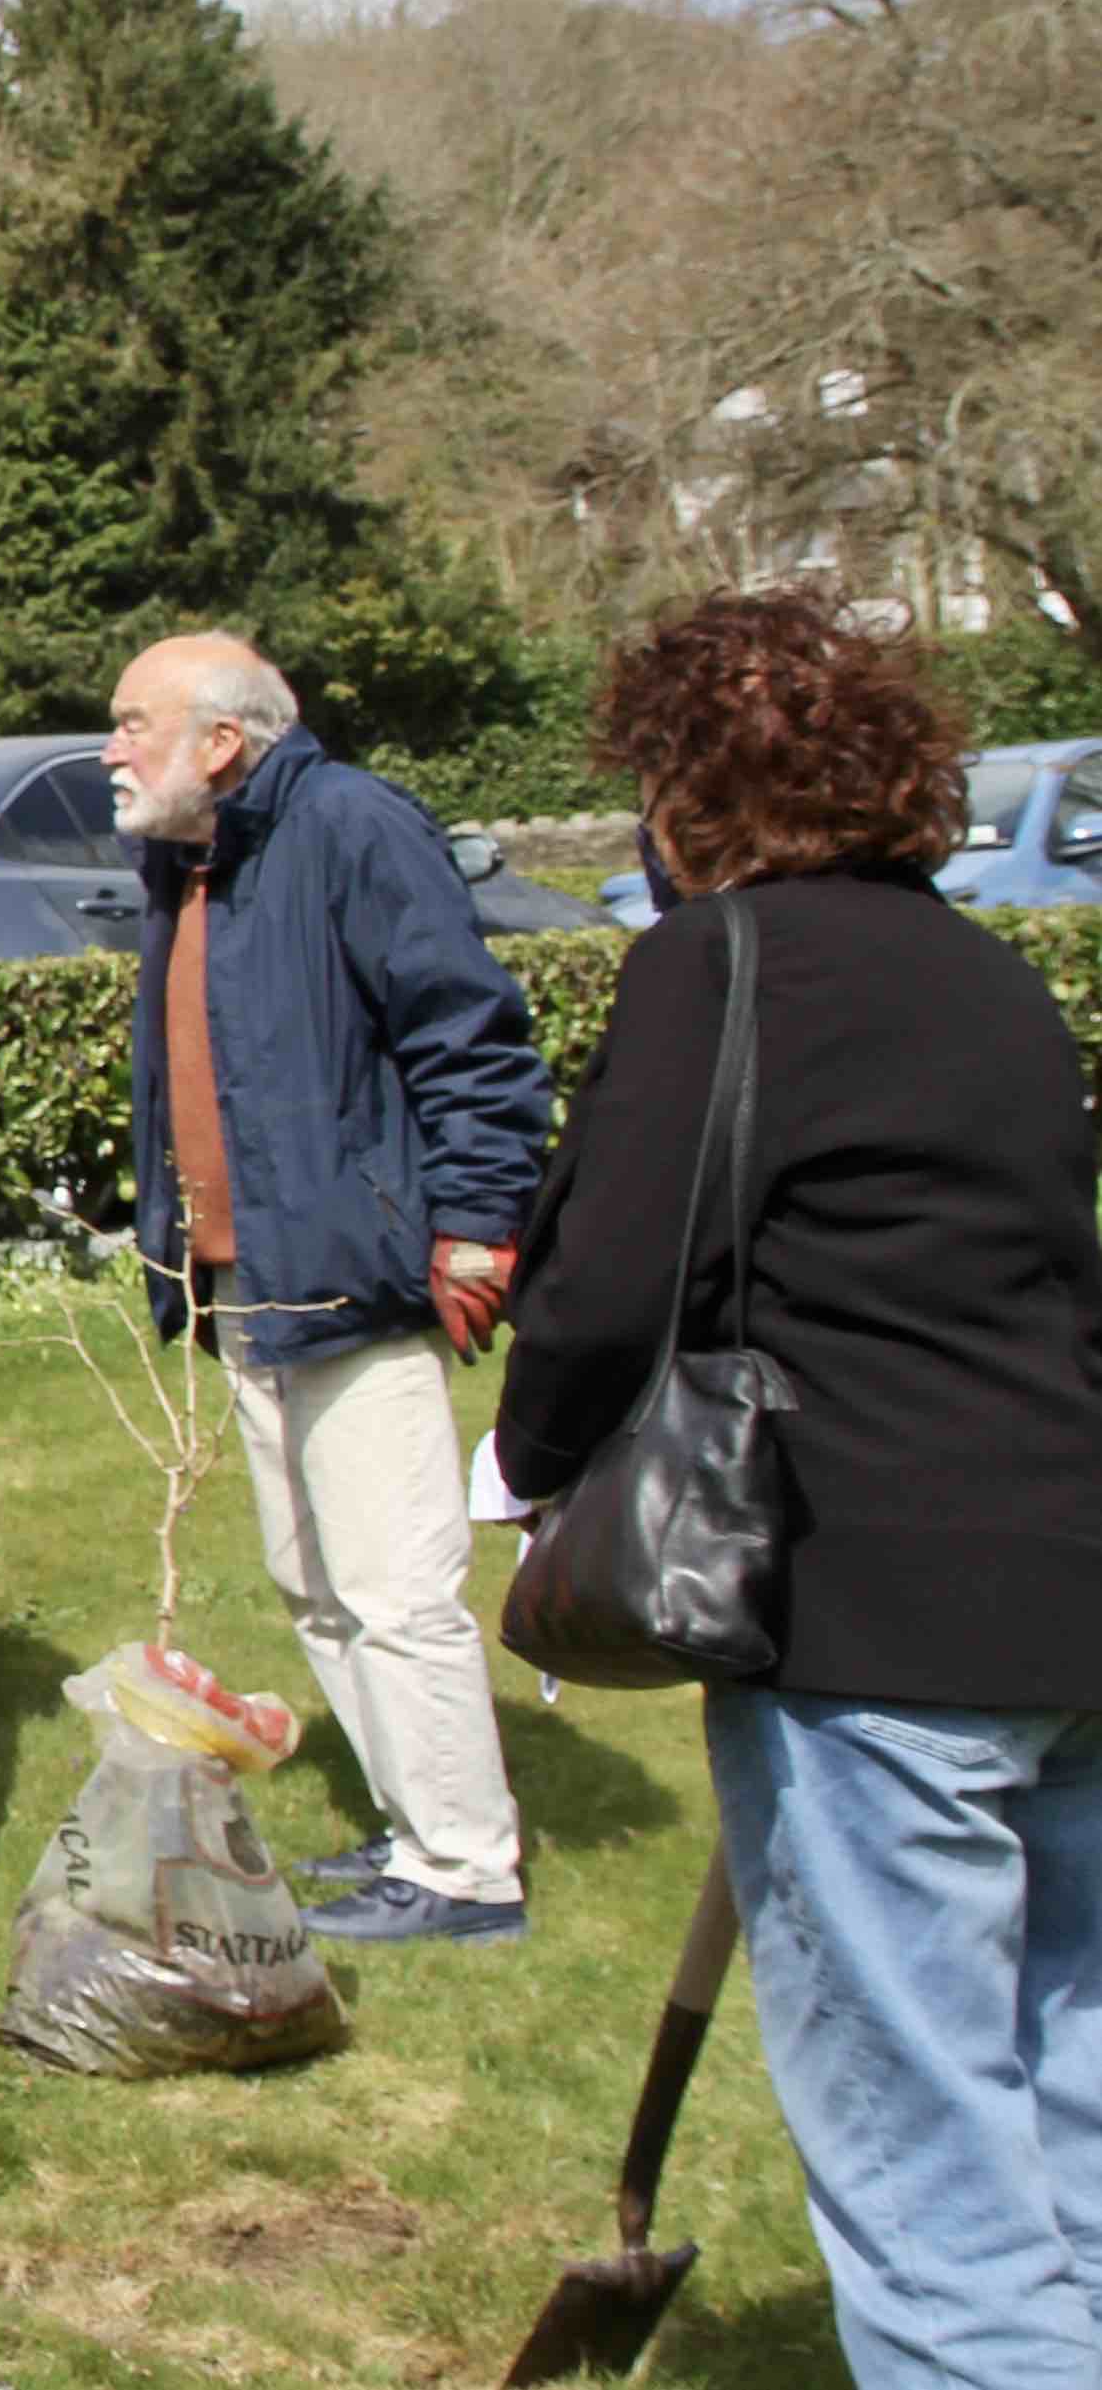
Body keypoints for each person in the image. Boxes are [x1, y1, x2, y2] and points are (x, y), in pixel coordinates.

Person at [496, 591, 1102, 2386]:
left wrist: (525, 1467)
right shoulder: (990, 969)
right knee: (1070, 2111)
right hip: (1067, 1604)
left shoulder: (717, 958)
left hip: (867, 1621)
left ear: (676, 793)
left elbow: (608, 1276)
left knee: (930, 2178)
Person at [103, 630, 548, 1947]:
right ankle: (416, 1831)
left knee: (396, 1588)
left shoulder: (350, 825)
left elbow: (465, 1032)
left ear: (221, 742)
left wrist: (471, 1222)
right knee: (310, 1579)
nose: (112, 749)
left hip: (344, 1276)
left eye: (133, 723)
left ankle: (468, 1869)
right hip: (248, 1280)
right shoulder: (186, 860)